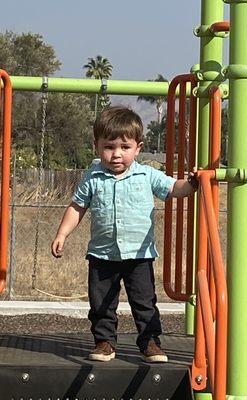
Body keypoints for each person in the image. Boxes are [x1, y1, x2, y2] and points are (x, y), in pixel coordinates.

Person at [51, 106, 198, 363]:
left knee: (144, 303)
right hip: (102, 254)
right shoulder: (93, 177)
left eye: (124, 147)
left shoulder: (146, 175)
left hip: (138, 255)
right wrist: (62, 234)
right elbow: (77, 207)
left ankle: (150, 341)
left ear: (138, 148)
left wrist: (194, 183)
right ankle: (105, 342)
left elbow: (175, 188)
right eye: (109, 147)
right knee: (101, 304)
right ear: (97, 146)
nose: (116, 154)